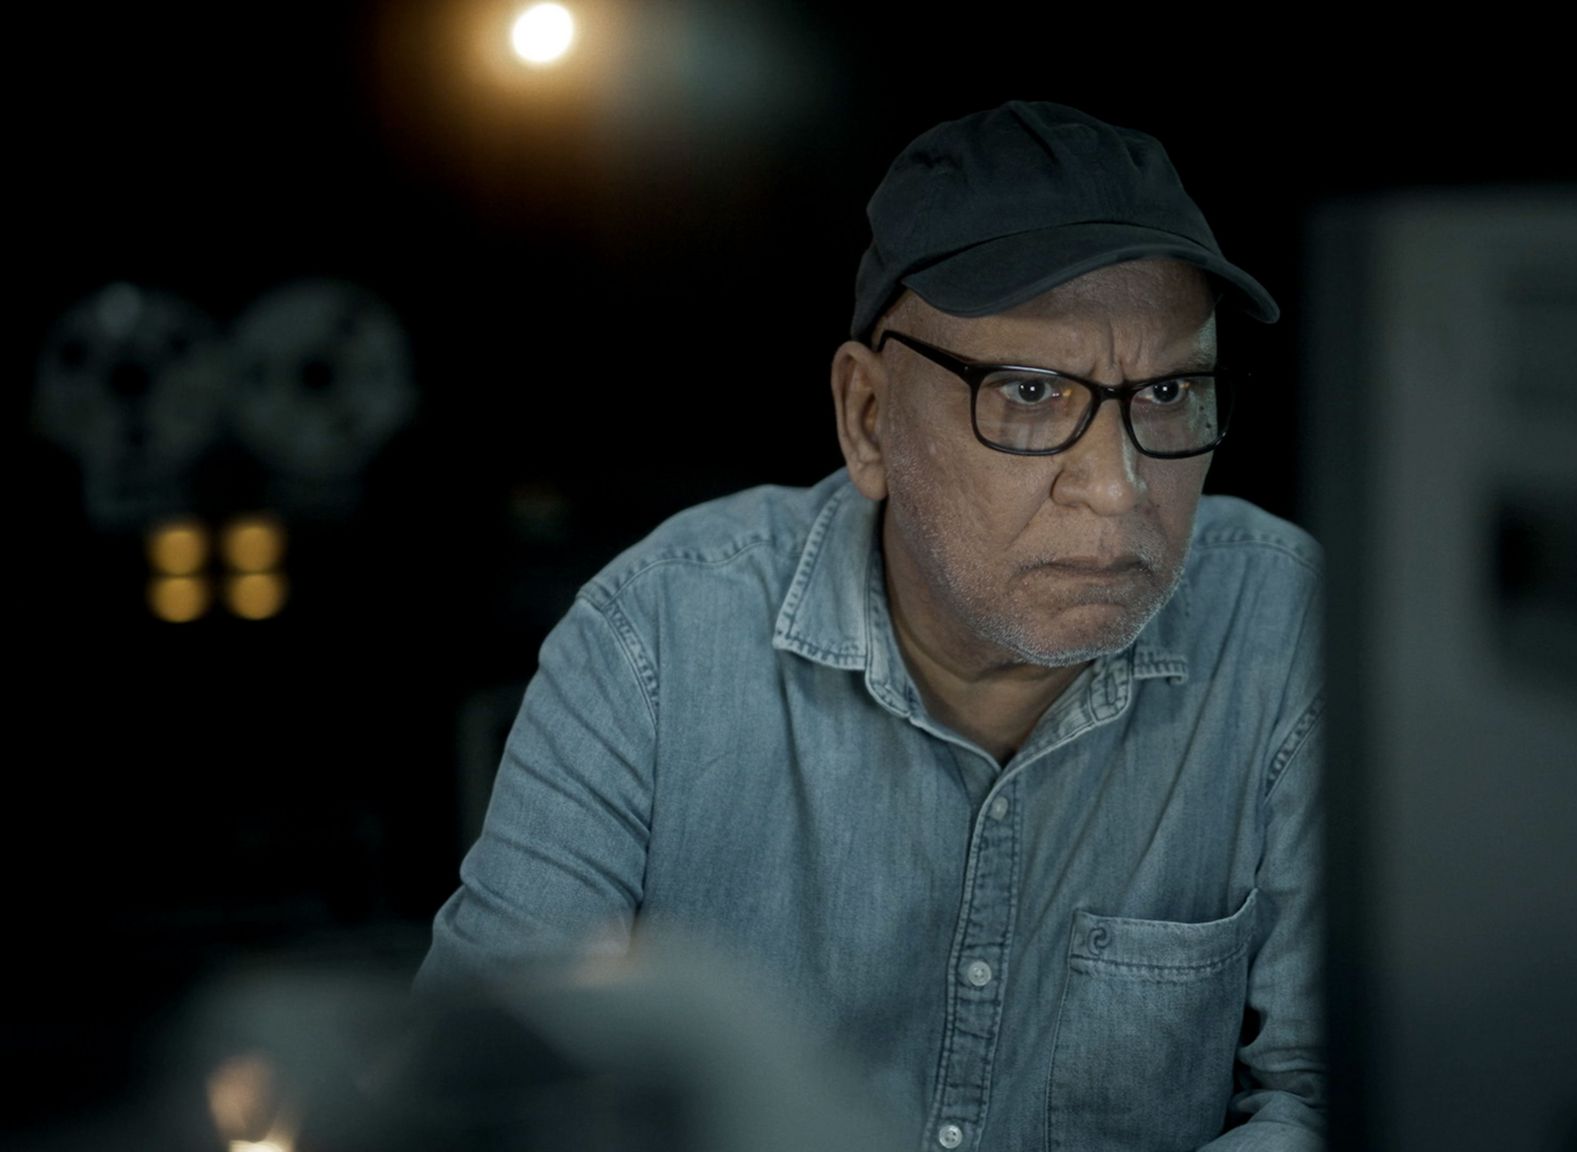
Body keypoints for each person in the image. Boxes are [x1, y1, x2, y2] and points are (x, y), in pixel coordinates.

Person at [418, 100, 1325, 1152]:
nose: (1118, 488)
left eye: (1167, 391)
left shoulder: (1286, 634)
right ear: (867, 418)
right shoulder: (654, 644)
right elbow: (480, 1103)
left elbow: (1330, 1093)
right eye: (1028, 393)